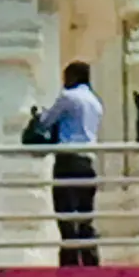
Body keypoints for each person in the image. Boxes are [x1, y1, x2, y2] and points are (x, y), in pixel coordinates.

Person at [32, 60, 104, 264]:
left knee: (65, 212)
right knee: (84, 214)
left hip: (67, 160)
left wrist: (39, 117)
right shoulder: (96, 103)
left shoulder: (68, 97)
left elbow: (47, 122)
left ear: (73, 77)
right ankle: (89, 258)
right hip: (88, 162)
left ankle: (70, 259)